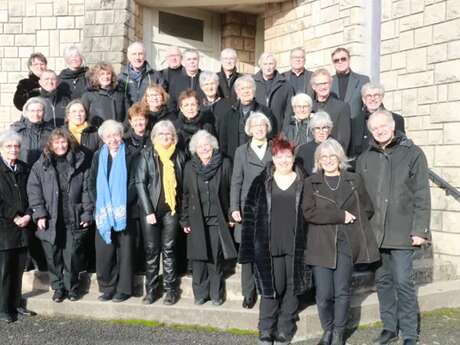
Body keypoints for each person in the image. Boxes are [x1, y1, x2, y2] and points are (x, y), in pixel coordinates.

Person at [356, 110, 431, 345]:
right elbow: (360, 197)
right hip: (375, 233)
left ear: (392, 125)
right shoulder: (365, 157)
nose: (379, 130)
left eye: (382, 126)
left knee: (404, 283)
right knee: (383, 282)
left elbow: (421, 194)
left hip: (401, 232)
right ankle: (389, 327)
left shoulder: (413, 153)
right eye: (374, 128)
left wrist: (420, 230)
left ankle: (409, 332)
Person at [302, 138, 379, 345]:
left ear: (340, 158)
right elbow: (308, 213)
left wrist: (353, 226)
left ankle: (338, 333)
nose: (328, 160)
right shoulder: (311, 182)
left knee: (342, 291)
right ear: (318, 160)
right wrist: (340, 216)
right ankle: (327, 329)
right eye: (323, 157)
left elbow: (367, 208)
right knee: (324, 294)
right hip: (320, 244)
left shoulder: (354, 180)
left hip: (346, 242)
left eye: (332, 156)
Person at [239, 137, 309, 345]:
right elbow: (250, 215)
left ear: (294, 158)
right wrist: (248, 249)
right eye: (279, 156)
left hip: (297, 245)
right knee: (271, 287)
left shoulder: (304, 181)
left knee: (291, 287)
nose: (284, 160)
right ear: (273, 157)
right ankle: (265, 329)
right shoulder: (261, 181)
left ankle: (285, 329)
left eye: (288, 156)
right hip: (268, 244)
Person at [27, 129, 93, 302]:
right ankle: (58, 288)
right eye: (56, 142)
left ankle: (72, 287)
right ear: (50, 145)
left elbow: (87, 189)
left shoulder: (79, 162)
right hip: (50, 218)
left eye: (63, 142)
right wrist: (40, 214)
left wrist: (87, 213)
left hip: (73, 216)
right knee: (53, 256)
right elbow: (34, 190)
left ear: (69, 143)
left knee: (72, 255)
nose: (60, 145)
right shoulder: (41, 165)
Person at [181, 130, 236, 306]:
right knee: (198, 259)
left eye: (207, 145)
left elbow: (229, 191)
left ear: (213, 147)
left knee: (214, 257)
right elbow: (186, 195)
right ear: (195, 149)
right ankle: (200, 294)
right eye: (200, 146)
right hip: (196, 218)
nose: (204, 149)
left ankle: (216, 294)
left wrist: (231, 214)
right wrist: (185, 219)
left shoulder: (225, 164)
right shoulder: (190, 166)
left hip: (217, 218)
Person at [135, 120, 185, 305]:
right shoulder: (146, 155)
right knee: (151, 251)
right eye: (161, 134)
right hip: (151, 211)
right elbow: (140, 183)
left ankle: (170, 290)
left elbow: (183, 185)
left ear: (174, 137)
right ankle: (151, 290)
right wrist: (148, 210)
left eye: (168, 134)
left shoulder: (179, 156)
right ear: (154, 137)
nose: (165, 137)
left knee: (170, 249)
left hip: (171, 210)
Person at [88, 120, 136, 303]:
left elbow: (135, 181)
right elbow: (91, 182)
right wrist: (99, 203)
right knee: (104, 251)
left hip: (125, 210)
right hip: (103, 211)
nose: (113, 139)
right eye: (108, 136)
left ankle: (123, 289)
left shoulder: (131, 154)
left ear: (121, 135)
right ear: (103, 138)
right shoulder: (97, 156)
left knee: (125, 251)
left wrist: (123, 204)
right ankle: (107, 287)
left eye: (116, 135)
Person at [230, 112, 272, 309]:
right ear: (249, 129)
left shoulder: (276, 148)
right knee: (247, 254)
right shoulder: (241, 152)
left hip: (271, 207)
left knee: (266, 251)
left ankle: (266, 291)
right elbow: (236, 182)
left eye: (262, 125)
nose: (259, 129)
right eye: (255, 126)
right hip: (248, 207)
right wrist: (234, 207)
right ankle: (248, 293)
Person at [0, 130, 35, 323]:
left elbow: (33, 193)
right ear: (1, 148)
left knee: (18, 268)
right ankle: (3, 308)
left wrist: (29, 214)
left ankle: (16, 305)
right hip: (4, 227)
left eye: (16, 146)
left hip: (24, 227)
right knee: (4, 270)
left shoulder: (24, 168)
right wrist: (14, 215)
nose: (13, 149)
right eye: (9, 146)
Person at [219, 75, 276, 160]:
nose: (246, 91)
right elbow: (223, 142)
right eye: (242, 89)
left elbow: (272, 137)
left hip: (258, 160)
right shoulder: (229, 114)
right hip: (234, 160)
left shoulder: (265, 112)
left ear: (254, 90)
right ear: (237, 92)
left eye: (249, 88)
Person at [350, 82, 405, 158]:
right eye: (369, 96)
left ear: (382, 98)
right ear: (363, 99)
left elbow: (402, 148)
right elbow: (352, 153)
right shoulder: (354, 122)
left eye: (376, 95)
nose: (372, 99)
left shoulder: (397, 119)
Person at [311, 69, 351, 152]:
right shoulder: (310, 107)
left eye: (325, 83)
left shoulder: (342, 107)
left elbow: (344, 139)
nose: (323, 87)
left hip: (332, 156)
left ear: (330, 84)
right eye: (319, 84)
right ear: (313, 87)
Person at [254, 52, 294, 131]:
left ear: (275, 65)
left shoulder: (285, 84)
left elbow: (289, 111)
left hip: (278, 131)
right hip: (257, 130)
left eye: (271, 64)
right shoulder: (252, 83)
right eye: (265, 64)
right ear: (260, 66)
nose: (268, 67)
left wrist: (285, 131)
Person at [118, 41, 165, 106]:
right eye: (134, 54)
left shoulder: (156, 76)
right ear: (129, 57)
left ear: (145, 56)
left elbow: (162, 98)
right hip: (128, 115)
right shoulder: (121, 77)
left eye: (140, 54)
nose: (137, 57)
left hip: (150, 115)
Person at [81, 62, 127, 128]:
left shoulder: (120, 94)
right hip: (97, 135)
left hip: (117, 135)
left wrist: (122, 130)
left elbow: (127, 117)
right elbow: (84, 118)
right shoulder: (88, 96)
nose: (105, 76)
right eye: (102, 74)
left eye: (108, 74)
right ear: (96, 76)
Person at [10, 97, 54, 166]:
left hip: (44, 172)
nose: (36, 114)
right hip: (22, 172)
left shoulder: (51, 131)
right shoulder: (16, 131)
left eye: (39, 110)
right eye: (32, 111)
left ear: (44, 112)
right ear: (26, 112)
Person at [331, 47, 370, 123]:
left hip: (355, 126)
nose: (340, 62)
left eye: (343, 59)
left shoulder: (363, 80)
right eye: (336, 60)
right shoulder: (328, 82)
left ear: (349, 59)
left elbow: (368, 106)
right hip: (334, 127)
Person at [174, 90, 215, 155]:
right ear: (181, 108)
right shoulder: (175, 127)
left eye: (193, 105)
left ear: (198, 106)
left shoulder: (207, 127)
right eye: (186, 105)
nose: (190, 108)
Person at [296, 111, 333, 176]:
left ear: (329, 130)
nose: (321, 132)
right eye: (317, 128)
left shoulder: (335, 148)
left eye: (324, 128)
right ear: (312, 131)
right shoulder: (303, 150)